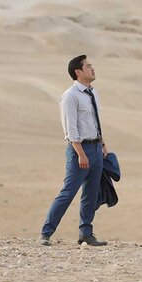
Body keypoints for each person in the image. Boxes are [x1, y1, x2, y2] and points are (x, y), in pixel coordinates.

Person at [39, 55, 109, 246]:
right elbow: (70, 129)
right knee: (68, 192)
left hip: (96, 147)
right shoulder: (70, 96)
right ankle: (46, 233)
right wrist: (80, 153)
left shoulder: (93, 93)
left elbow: (95, 121)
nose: (92, 68)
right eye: (88, 66)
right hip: (80, 149)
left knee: (91, 193)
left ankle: (86, 233)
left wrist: (102, 144)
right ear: (78, 72)